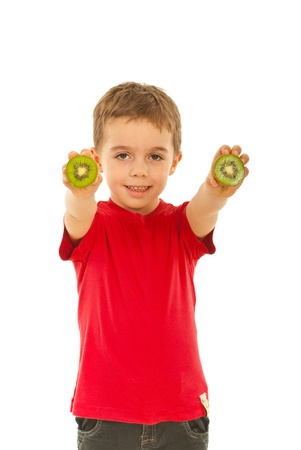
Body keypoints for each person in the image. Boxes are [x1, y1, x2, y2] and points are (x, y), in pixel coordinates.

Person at [59, 81, 249, 450]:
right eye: (123, 155)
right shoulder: (93, 226)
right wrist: (78, 192)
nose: (140, 171)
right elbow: (75, 212)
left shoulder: (181, 226)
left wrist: (215, 188)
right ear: (97, 159)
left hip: (182, 414)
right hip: (106, 415)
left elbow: (204, 207)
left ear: (175, 161)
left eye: (155, 157)